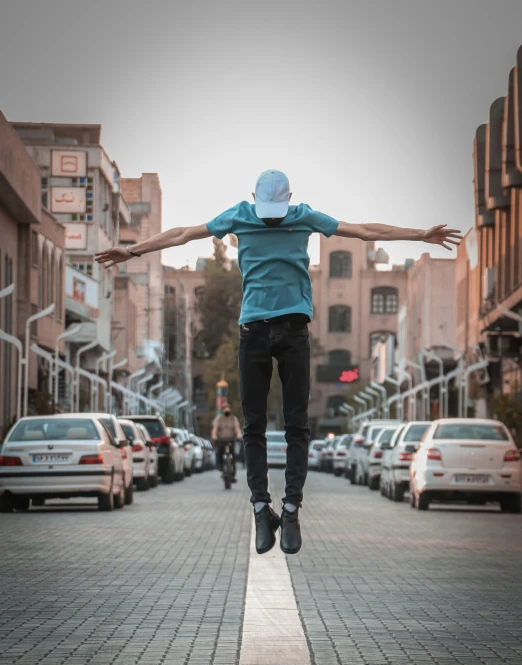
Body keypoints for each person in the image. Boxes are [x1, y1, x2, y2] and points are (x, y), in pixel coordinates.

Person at [96, 170, 462, 556]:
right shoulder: (239, 215)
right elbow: (183, 234)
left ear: (289, 200)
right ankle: (259, 509)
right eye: (267, 210)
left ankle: (289, 510)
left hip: (293, 333)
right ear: (253, 198)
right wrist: (132, 251)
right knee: (253, 425)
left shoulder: (303, 215)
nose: (272, 217)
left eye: (277, 210)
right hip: (252, 331)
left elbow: (365, 231)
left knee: (297, 425)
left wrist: (420, 235)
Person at [211, 403, 242, 481]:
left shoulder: (234, 418)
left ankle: (233, 473)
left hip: (231, 439)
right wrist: (214, 436)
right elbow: (215, 429)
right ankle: (221, 466)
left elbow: (237, 428)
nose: (227, 411)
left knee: (233, 455)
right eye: (225, 409)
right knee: (220, 452)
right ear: (223, 410)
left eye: (228, 409)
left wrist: (239, 435)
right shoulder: (219, 419)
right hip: (221, 440)